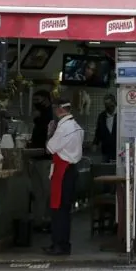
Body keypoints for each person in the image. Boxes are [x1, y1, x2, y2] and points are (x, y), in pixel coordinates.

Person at [43, 99, 84, 256]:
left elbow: (50, 148)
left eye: (55, 108)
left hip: (62, 171)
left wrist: (50, 132)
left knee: (58, 210)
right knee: (65, 210)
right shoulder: (77, 127)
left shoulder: (63, 128)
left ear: (59, 109)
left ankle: (58, 245)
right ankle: (64, 244)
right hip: (71, 170)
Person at [28, 90, 53, 232]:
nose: (36, 103)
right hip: (37, 157)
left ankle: (48, 220)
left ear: (45, 99)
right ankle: (39, 221)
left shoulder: (49, 116)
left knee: (47, 191)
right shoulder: (41, 115)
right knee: (38, 192)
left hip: (46, 159)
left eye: (38, 99)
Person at [93, 94, 117, 162]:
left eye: (111, 105)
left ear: (114, 103)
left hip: (118, 150)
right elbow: (98, 131)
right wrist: (95, 143)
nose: (109, 108)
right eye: (106, 105)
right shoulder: (102, 116)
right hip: (106, 150)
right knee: (106, 168)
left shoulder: (121, 115)